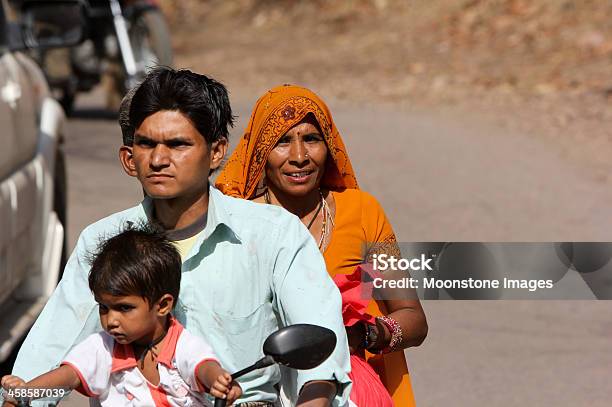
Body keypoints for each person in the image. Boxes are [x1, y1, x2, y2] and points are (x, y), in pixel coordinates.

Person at [11, 69, 352, 407]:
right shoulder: (102, 242)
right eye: (146, 144)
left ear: (217, 152)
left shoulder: (275, 234)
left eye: (178, 145)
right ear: (129, 158)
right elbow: (47, 354)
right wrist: (20, 396)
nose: (159, 160)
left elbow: (321, 362)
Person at [216, 85, 428, 406]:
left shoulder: (362, 212)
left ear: (329, 146)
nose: (299, 157)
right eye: (282, 141)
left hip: (349, 386)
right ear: (260, 152)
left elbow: (413, 318)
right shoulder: (238, 221)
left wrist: (363, 335)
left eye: (311, 139)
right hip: (259, 387)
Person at [2, 226, 241, 406]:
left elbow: (204, 367)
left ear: (163, 305)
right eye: (104, 308)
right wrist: (24, 392)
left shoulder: (182, 345)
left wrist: (219, 380)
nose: (111, 320)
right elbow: (67, 378)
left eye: (124, 308)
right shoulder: (101, 348)